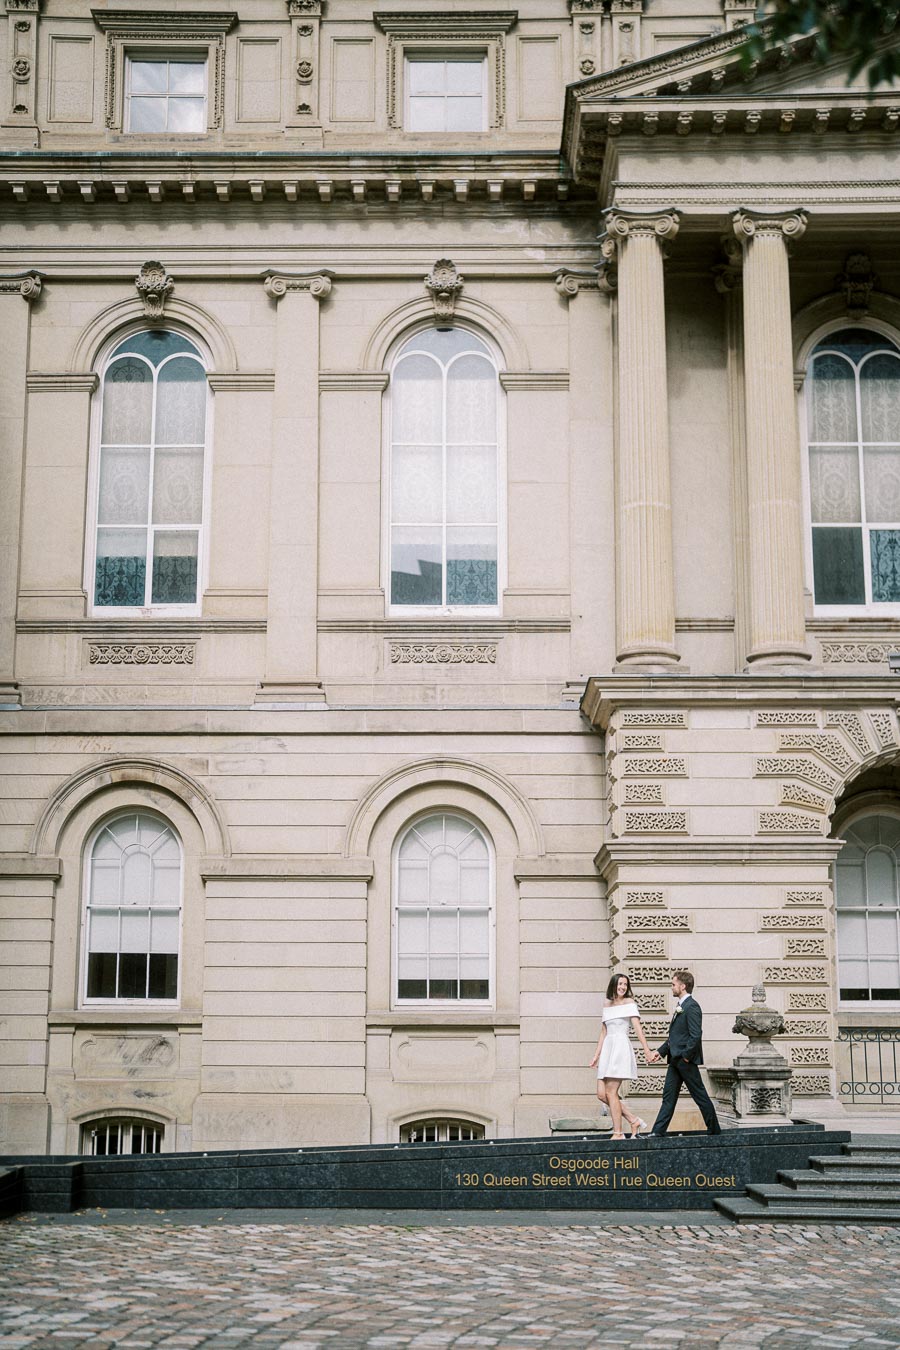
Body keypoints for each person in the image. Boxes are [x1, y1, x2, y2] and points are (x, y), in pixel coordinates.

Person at [646, 970, 721, 1136]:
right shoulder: (681, 1006)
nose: (672, 987)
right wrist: (660, 1052)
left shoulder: (692, 1006)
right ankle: (657, 1132)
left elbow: (695, 1035)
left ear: (683, 986)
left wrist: (686, 1057)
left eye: (673, 984)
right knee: (668, 1097)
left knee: (699, 1095)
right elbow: (675, 1037)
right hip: (674, 1061)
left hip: (684, 1061)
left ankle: (714, 1131)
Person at [589, 973, 653, 1140]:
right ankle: (633, 1120)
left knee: (611, 1091)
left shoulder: (629, 1003)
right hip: (607, 1050)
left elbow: (638, 1029)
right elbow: (603, 1031)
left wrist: (646, 1050)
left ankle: (618, 1133)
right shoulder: (607, 1004)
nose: (623, 987)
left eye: (625, 984)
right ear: (614, 985)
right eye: (620, 984)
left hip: (620, 1048)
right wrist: (596, 1055)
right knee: (602, 1094)